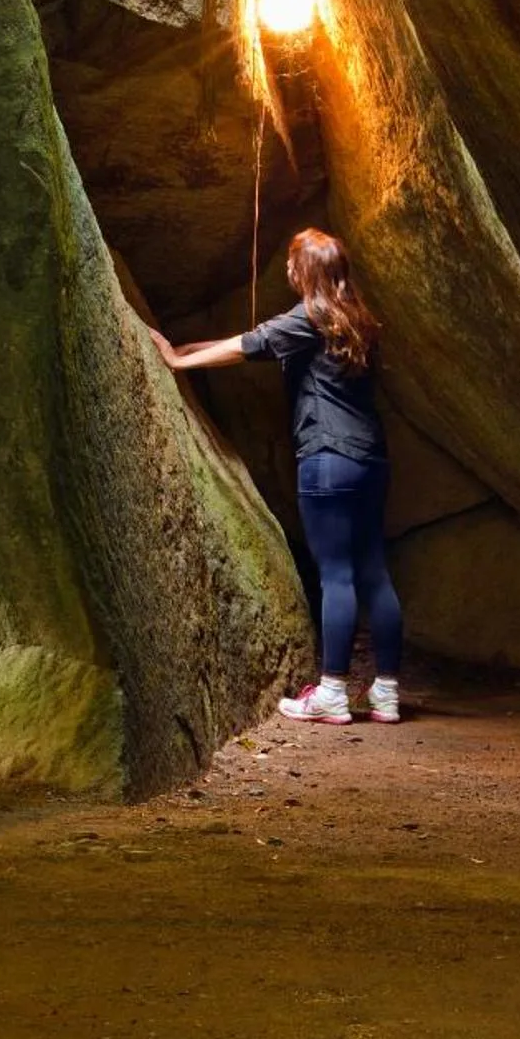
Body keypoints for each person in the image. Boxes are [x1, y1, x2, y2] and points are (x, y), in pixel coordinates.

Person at [149, 227, 405, 725]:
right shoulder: (357, 320)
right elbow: (258, 341)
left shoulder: (308, 317)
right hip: (370, 461)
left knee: (336, 575)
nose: (287, 269)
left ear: (304, 270)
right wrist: (189, 349)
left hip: (326, 459)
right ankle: (387, 693)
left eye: (292, 262)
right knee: (374, 571)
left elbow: (250, 344)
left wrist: (178, 361)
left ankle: (332, 692)